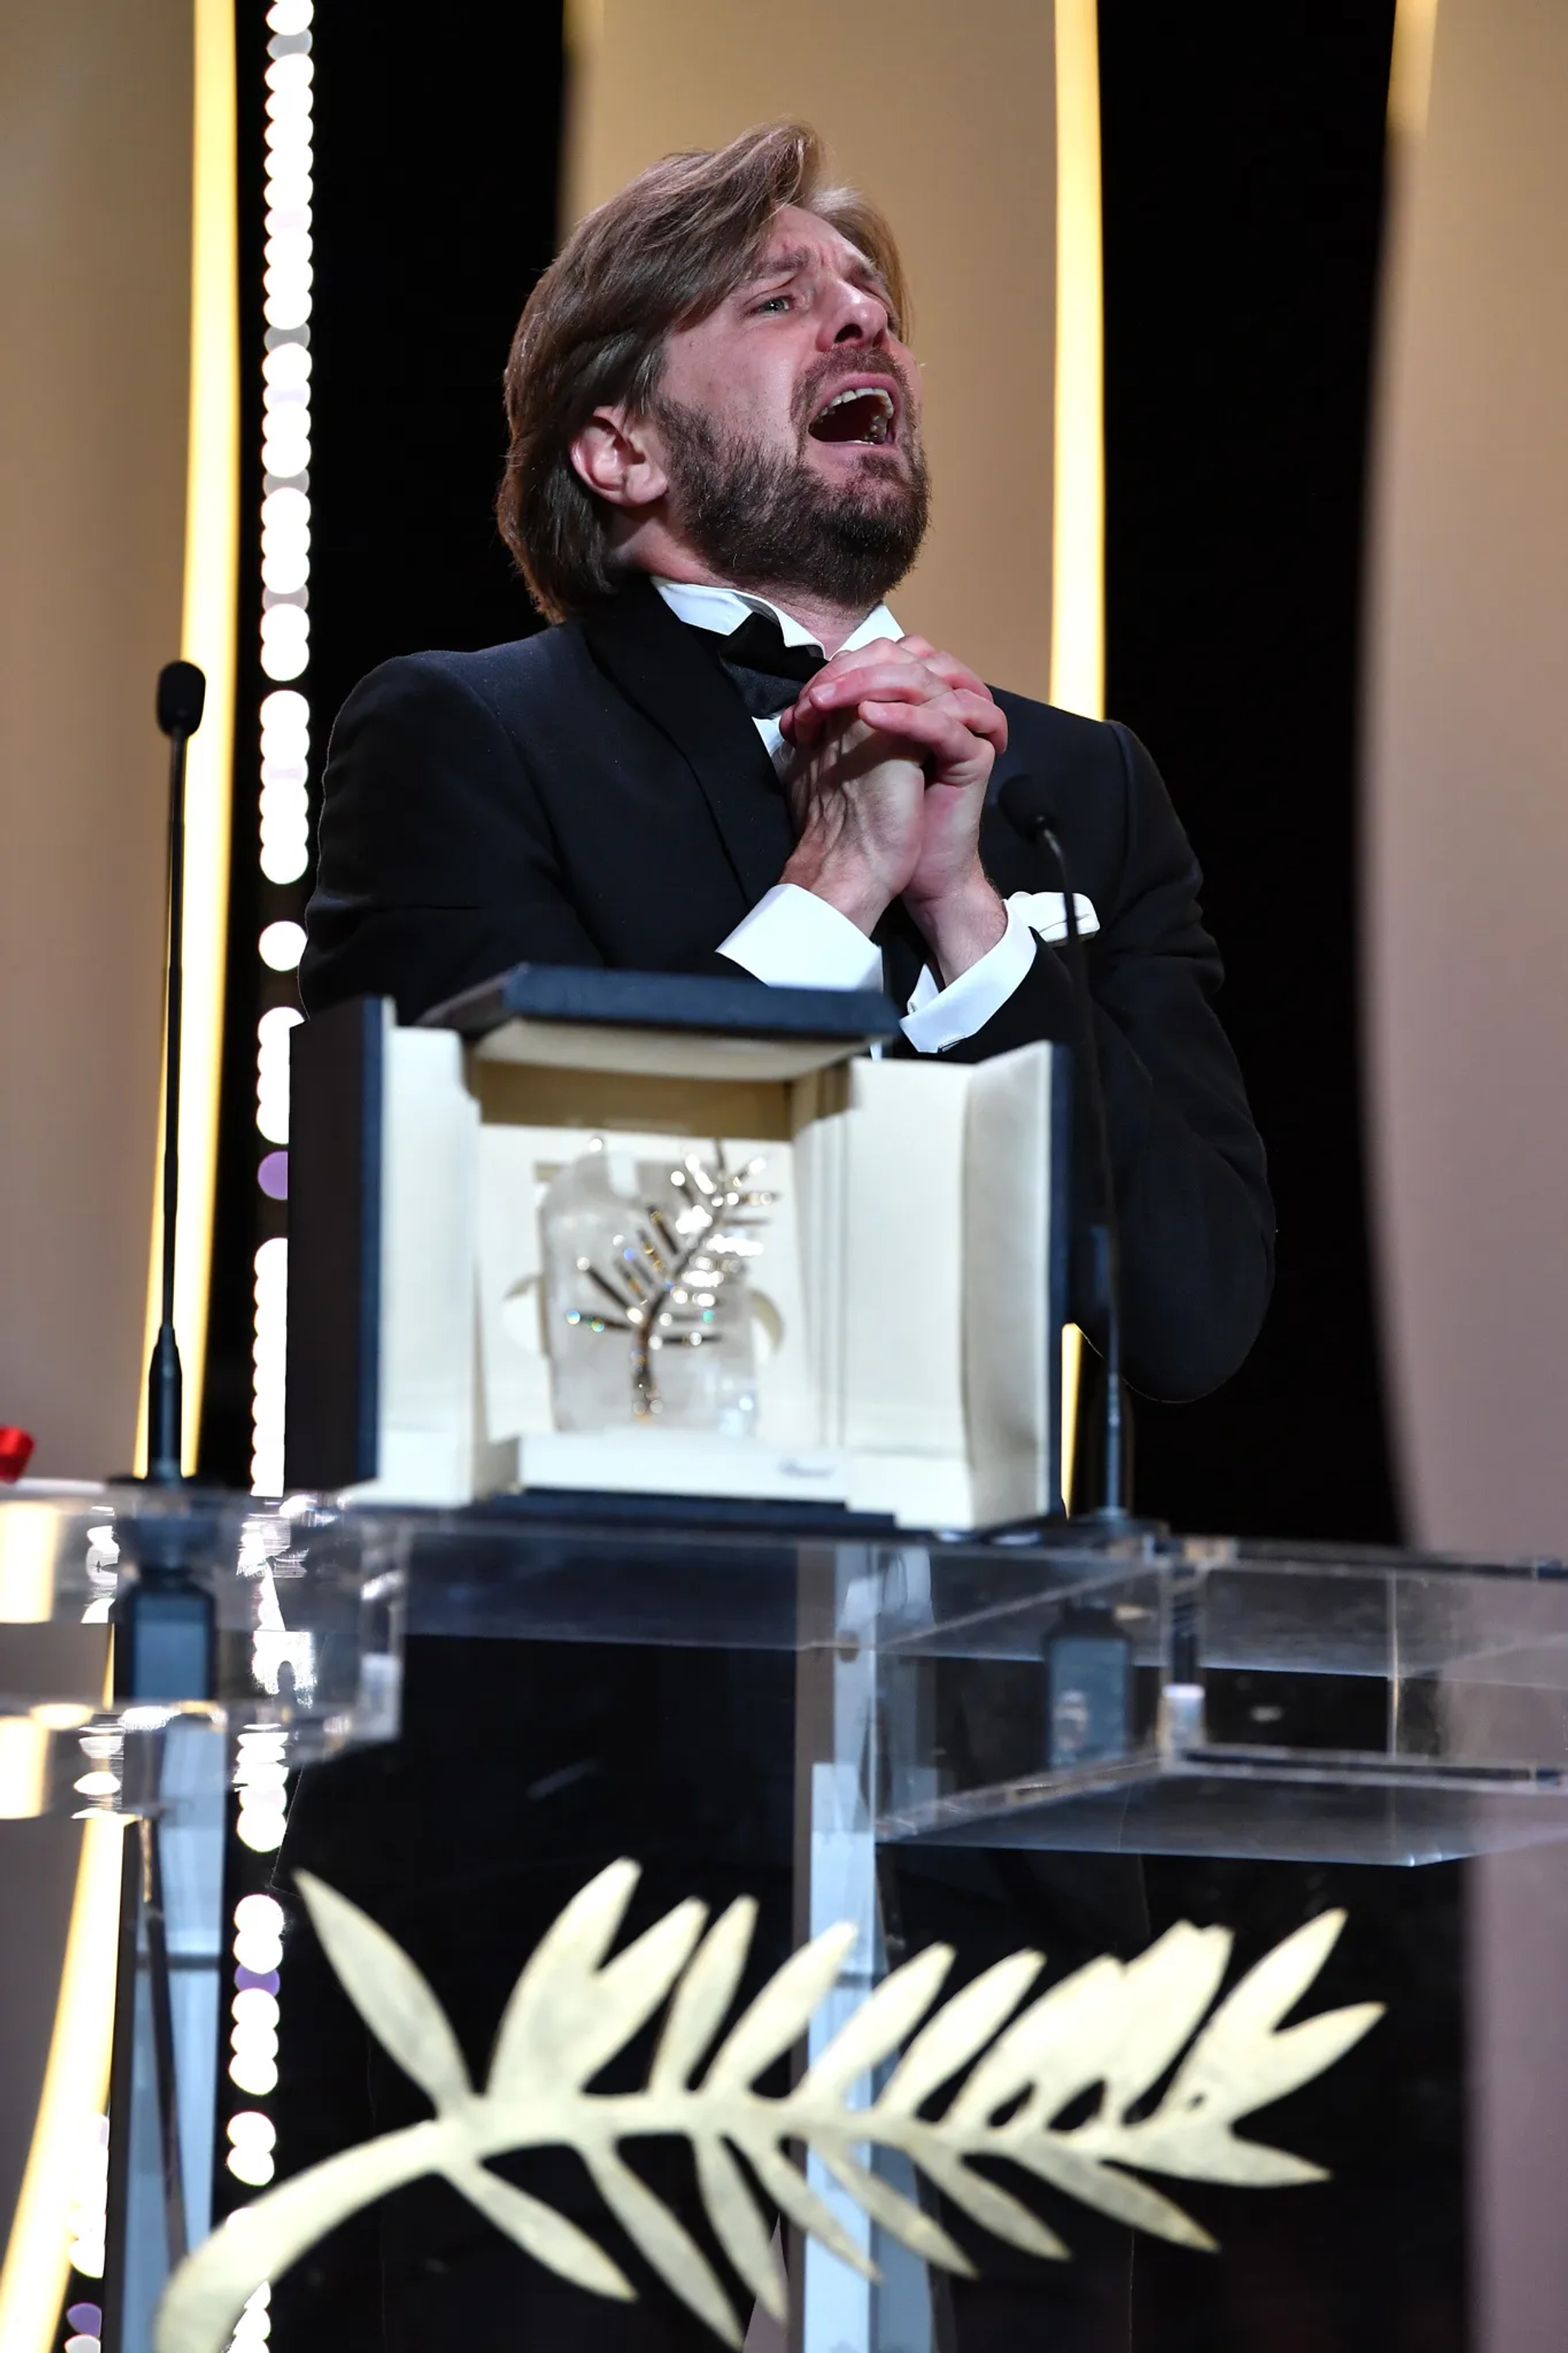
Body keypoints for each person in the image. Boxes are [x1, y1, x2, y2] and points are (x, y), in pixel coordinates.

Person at [278, 123, 1274, 2352]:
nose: (864, 322)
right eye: (778, 295)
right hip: (594, 1880)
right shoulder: (464, 738)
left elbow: (1194, 1315)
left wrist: (971, 930)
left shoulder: (1079, 790)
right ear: (614, 448)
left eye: (870, 291)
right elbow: (515, 1278)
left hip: (1005, 1900)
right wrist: (826, 899)